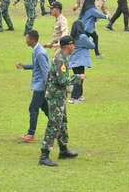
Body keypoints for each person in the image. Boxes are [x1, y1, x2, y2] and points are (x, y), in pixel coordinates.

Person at [38, 36, 84, 167]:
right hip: (55, 97)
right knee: (54, 124)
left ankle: (63, 150)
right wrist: (78, 77)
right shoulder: (60, 60)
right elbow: (63, 81)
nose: (74, 47)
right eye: (73, 45)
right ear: (69, 46)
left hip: (58, 96)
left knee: (62, 122)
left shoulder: (62, 58)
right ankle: (44, 155)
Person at [17, 30, 50, 143]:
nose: (26, 40)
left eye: (27, 38)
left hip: (41, 86)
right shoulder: (36, 50)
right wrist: (25, 66)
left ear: (33, 39)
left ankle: (31, 134)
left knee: (33, 108)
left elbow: (45, 71)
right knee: (45, 108)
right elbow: (37, 66)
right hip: (39, 85)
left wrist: (48, 87)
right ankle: (59, 125)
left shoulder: (40, 53)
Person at [68, 20, 95, 104]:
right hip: (80, 60)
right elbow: (92, 45)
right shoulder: (82, 37)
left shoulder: (72, 37)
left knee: (79, 77)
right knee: (79, 78)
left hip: (74, 60)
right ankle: (74, 97)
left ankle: (79, 95)